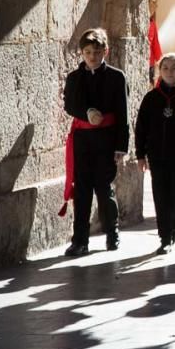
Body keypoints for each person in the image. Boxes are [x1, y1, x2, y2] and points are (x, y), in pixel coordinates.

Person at [62, 28, 130, 256]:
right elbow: (69, 105)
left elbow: (123, 113)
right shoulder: (74, 78)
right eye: (88, 52)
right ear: (81, 52)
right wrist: (87, 112)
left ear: (106, 51)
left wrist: (121, 146)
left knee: (104, 188)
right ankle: (80, 239)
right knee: (81, 191)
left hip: (107, 140)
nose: (93, 57)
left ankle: (112, 232)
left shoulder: (116, 77)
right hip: (82, 140)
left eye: (98, 52)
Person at [135, 52, 175, 254]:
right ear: (159, 71)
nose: (169, 72)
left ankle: (174, 227)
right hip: (157, 156)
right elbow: (141, 128)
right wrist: (140, 155)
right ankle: (164, 237)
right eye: (165, 68)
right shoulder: (151, 98)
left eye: (174, 68)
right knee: (160, 196)